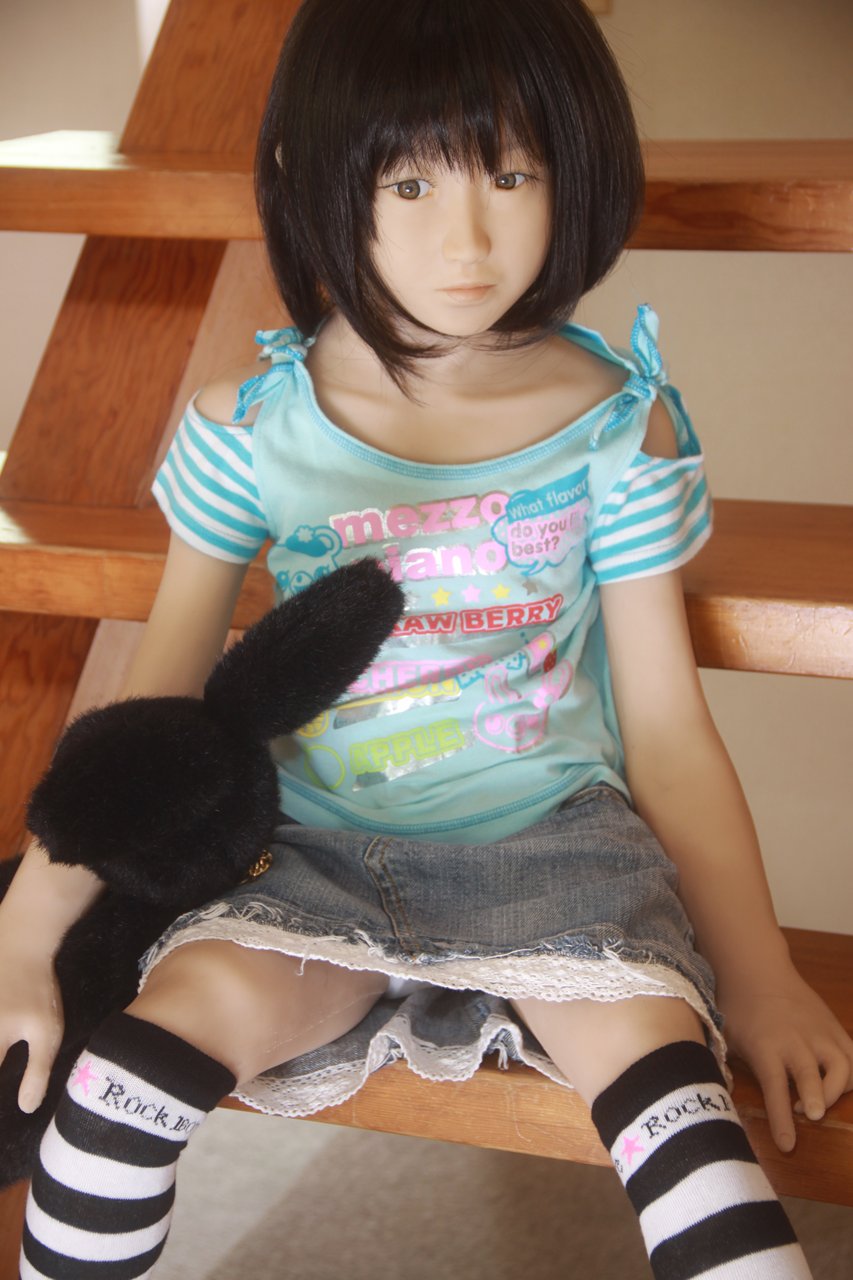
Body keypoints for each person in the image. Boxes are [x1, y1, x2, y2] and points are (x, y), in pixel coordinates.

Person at [2, 1, 850, 1276]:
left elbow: (669, 732)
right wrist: (24, 935)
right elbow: (154, 717)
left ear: (575, 163)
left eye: (510, 174)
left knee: (695, 1145)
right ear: (318, 182)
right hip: (302, 857)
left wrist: (763, 973)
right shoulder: (250, 426)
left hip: (554, 851)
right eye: (407, 183)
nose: (466, 240)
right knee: (112, 1099)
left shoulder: (618, 426)